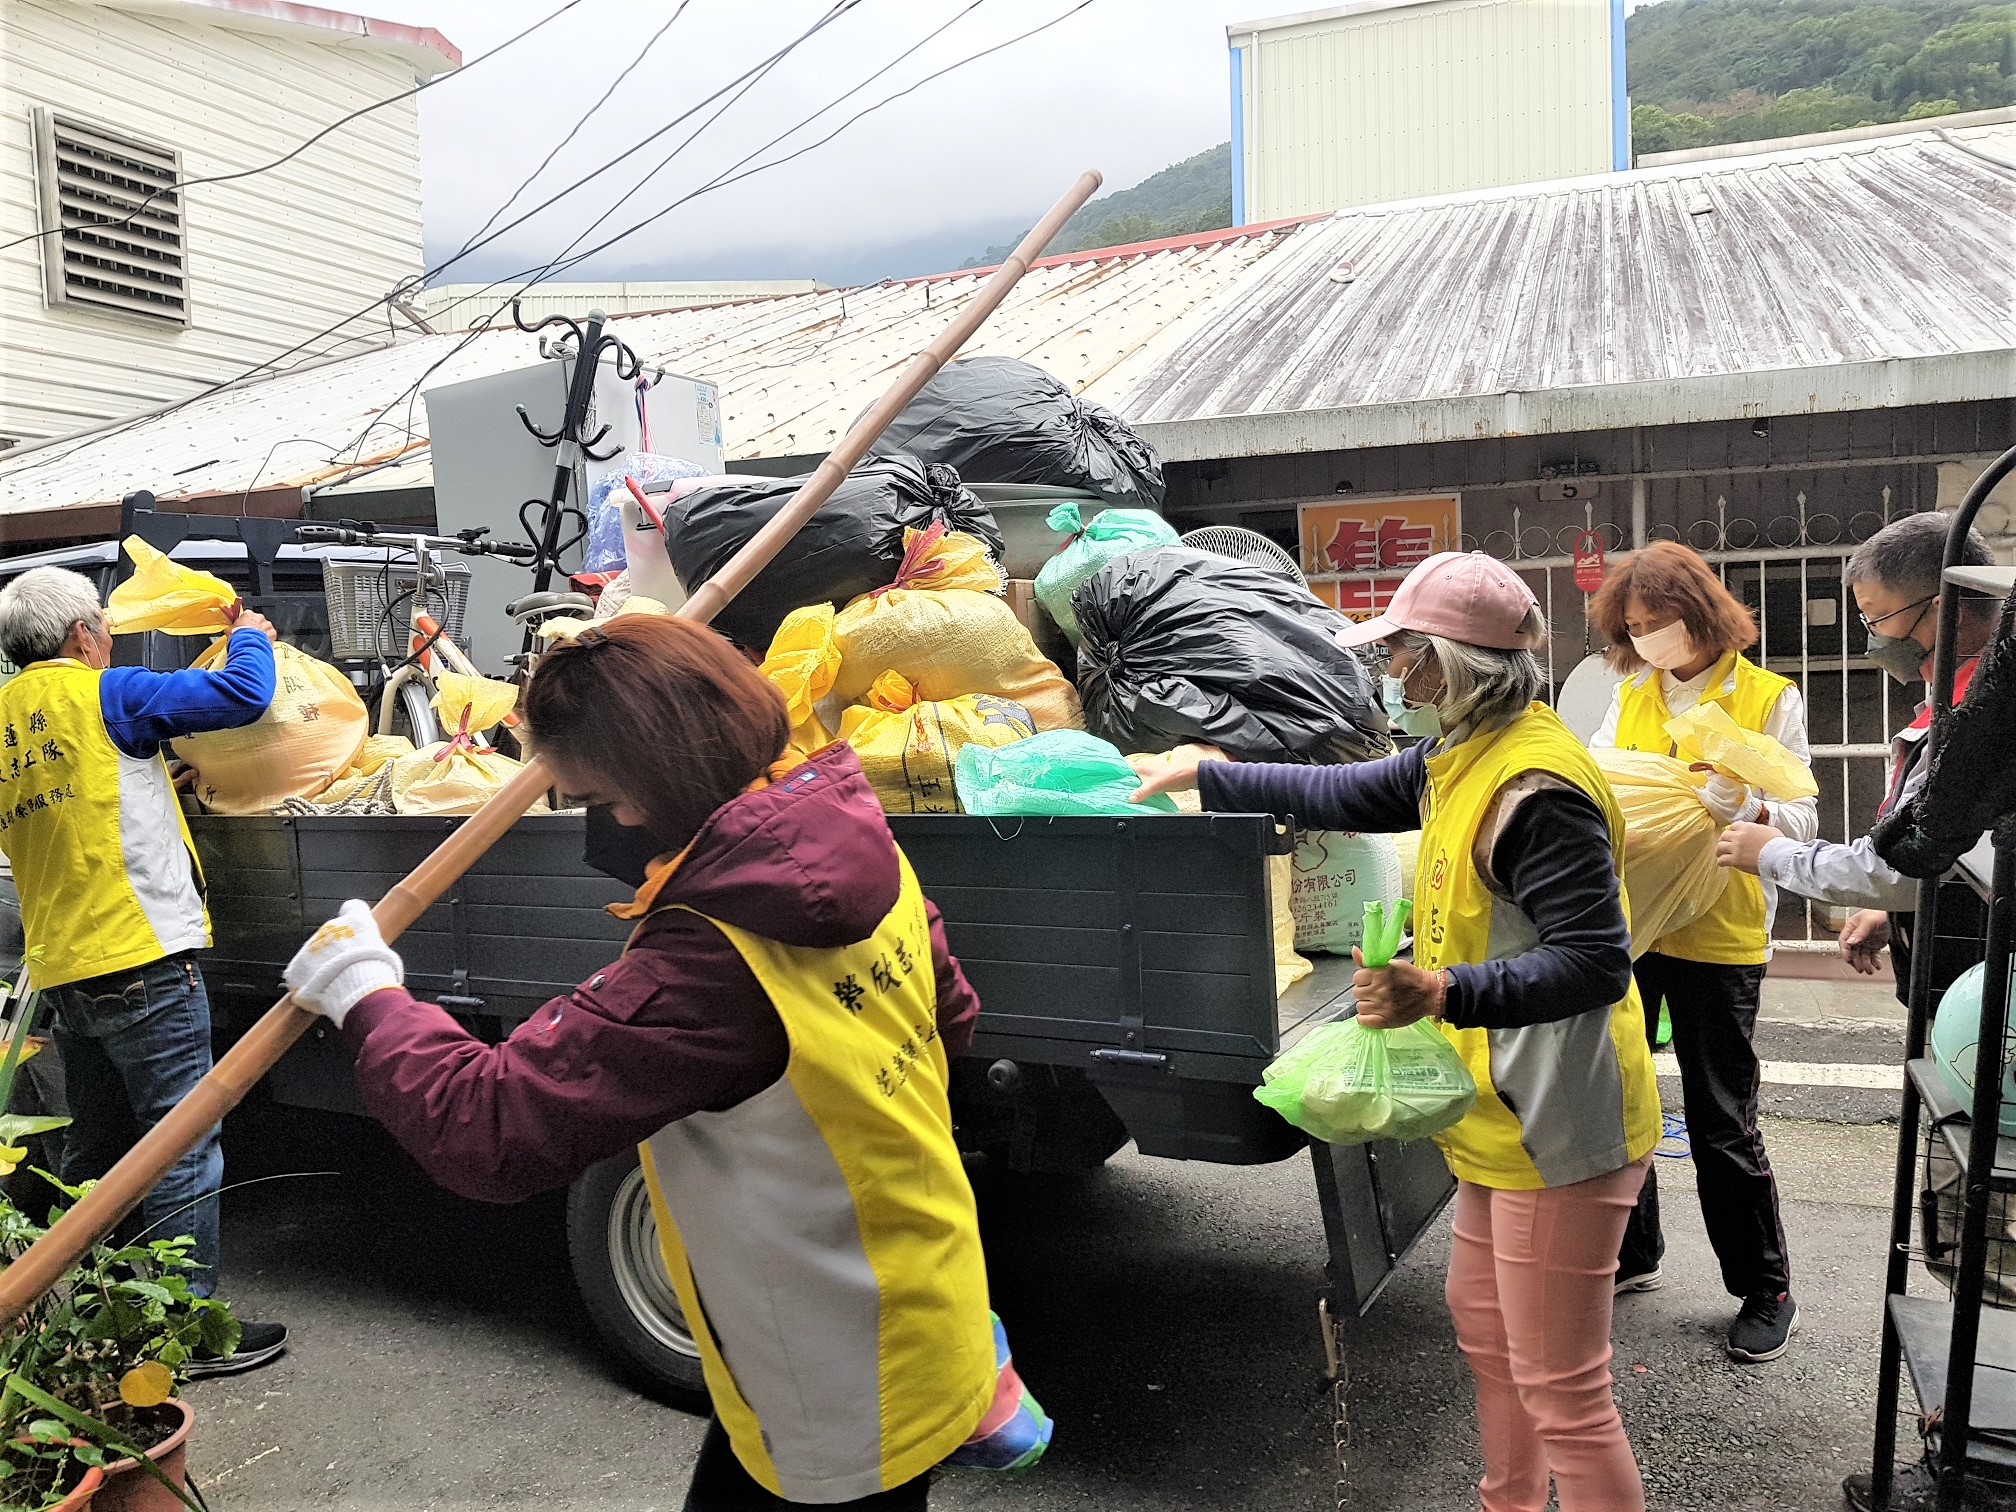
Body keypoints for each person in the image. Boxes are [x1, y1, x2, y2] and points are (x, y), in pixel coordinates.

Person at [280, 616, 1046, 1511]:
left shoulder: (711, 958)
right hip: (917, 1290)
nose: (592, 823)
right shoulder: (853, 844)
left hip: (838, 1364)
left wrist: (367, 993)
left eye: (588, 796)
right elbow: (950, 1014)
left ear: (643, 792)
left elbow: (486, 1127)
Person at [1132, 551, 1659, 1512]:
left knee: (1564, 1386)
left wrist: (1439, 989)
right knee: (1487, 1332)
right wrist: (1211, 773)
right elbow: (1343, 793)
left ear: (1454, 666)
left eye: (1404, 658)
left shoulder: (1535, 792)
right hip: (1503, 1109)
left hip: (1562, 1120)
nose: (1391, 678)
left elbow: (1595, 962)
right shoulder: (1459, 755)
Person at [0, 566, 288, 1375]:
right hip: (142, 960)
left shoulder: (4, 720)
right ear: (79, 636)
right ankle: (183, 1338)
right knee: (181, 1147)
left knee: (97, 1152)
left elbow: (67, 804)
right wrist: (250, 639)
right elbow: (242, 697)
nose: (110, 640)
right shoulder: (107, 694)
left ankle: (95, 1314)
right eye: (104, 627)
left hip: (61, 967)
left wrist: (157, 779)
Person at [1586, 541, 1817, 1363]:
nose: (1647, 640)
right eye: (1634, 628)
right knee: (1624, 1098)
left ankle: (1765, 1287)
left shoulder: (1767, 697)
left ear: (1698, 614)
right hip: (1639, 924)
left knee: (1721, 1117)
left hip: (1719, 930)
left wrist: (1739, 798)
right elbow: (1604, 786)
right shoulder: (1630, 695)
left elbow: (1803, 822)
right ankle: (1634, 1252)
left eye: (1657, 624)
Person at [1717, 512, 1999, 1000]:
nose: (1872, 636)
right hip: (1951, 956)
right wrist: (1896, 909)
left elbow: (1909, 861)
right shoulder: (1959, 697)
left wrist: (1771, 852)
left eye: (1876, 617)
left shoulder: (1979, 719)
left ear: (1942, 610)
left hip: (1983, 980)